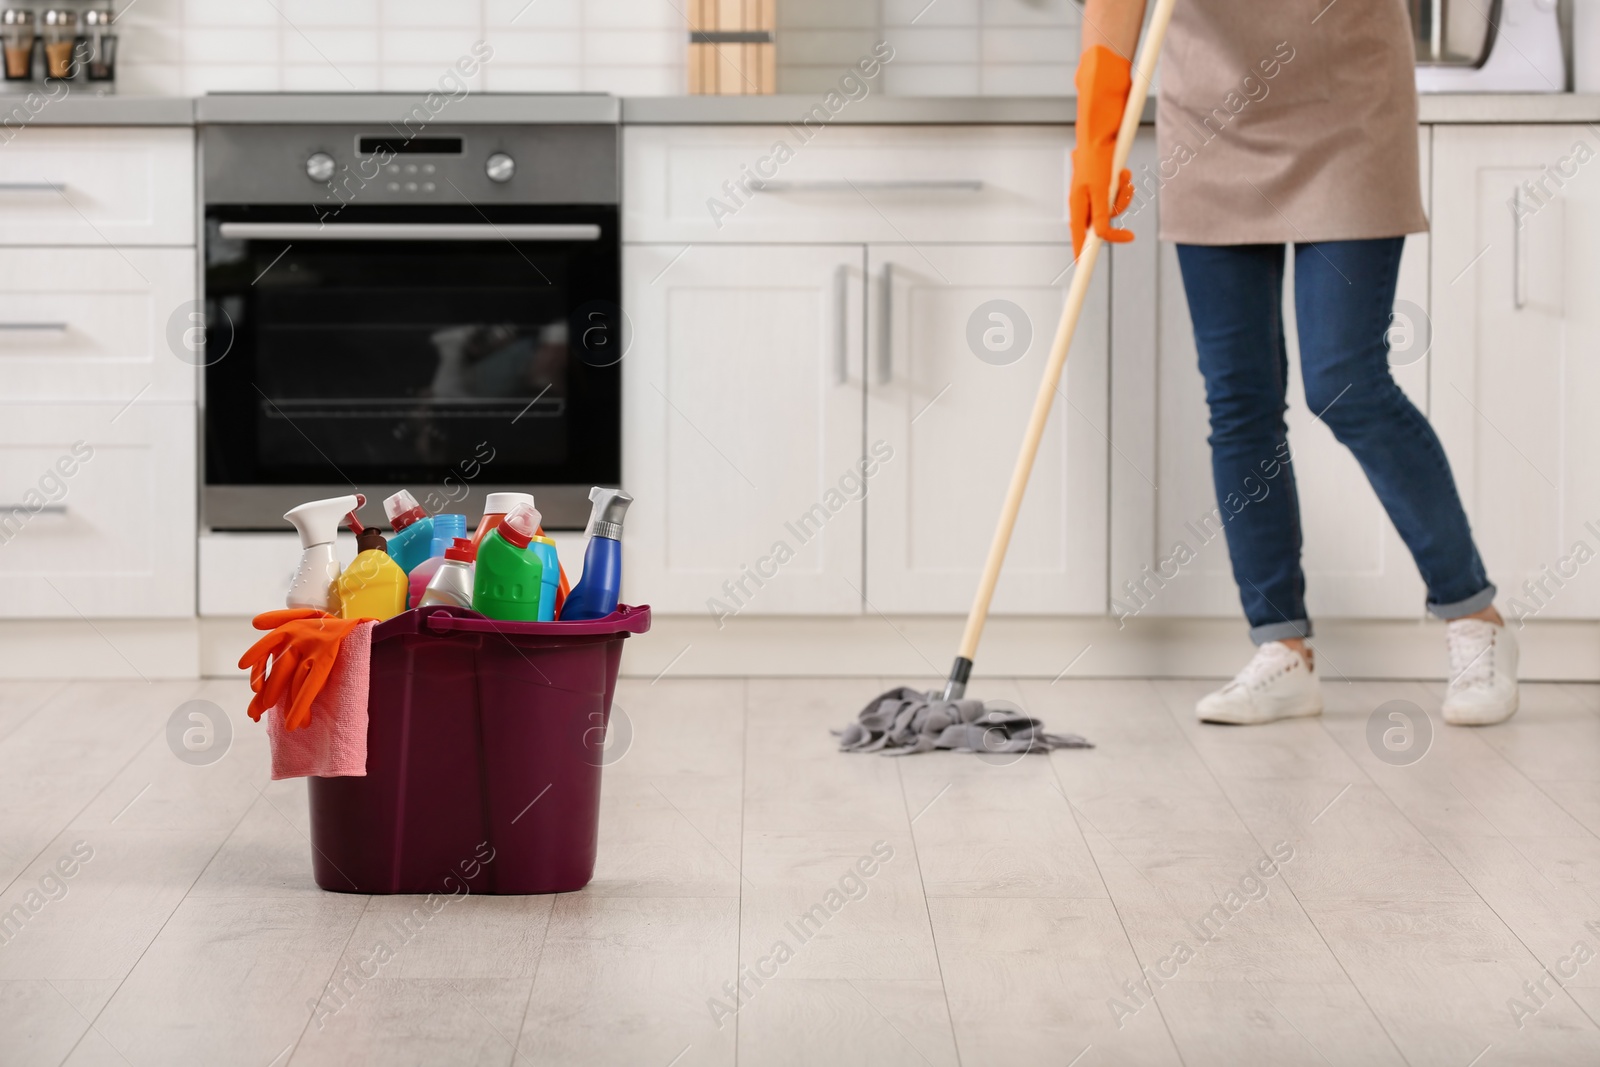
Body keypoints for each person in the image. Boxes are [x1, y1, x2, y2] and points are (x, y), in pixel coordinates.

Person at [1071, 0, 1518, 726]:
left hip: (1349, 102)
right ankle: (1281, 648)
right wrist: (1096, 125)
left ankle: (1474, 617)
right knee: (1240, 398)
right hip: (1210, 116)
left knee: (1347, 383)